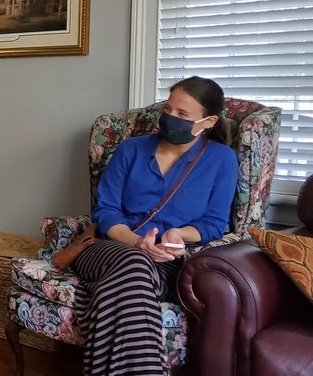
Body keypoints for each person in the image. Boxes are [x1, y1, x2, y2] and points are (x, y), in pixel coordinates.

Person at [75, 76, 238, 375]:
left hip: (164, 262)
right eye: (168, 109)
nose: (170, 118)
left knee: (128, 283)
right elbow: (105, 211)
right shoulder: (131, 149)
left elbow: (214, 224)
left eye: (182, 114)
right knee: (135, 263)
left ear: (209, 121)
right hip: (108, 248)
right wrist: (136, 242)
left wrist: (178, 234)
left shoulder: (222, 160)